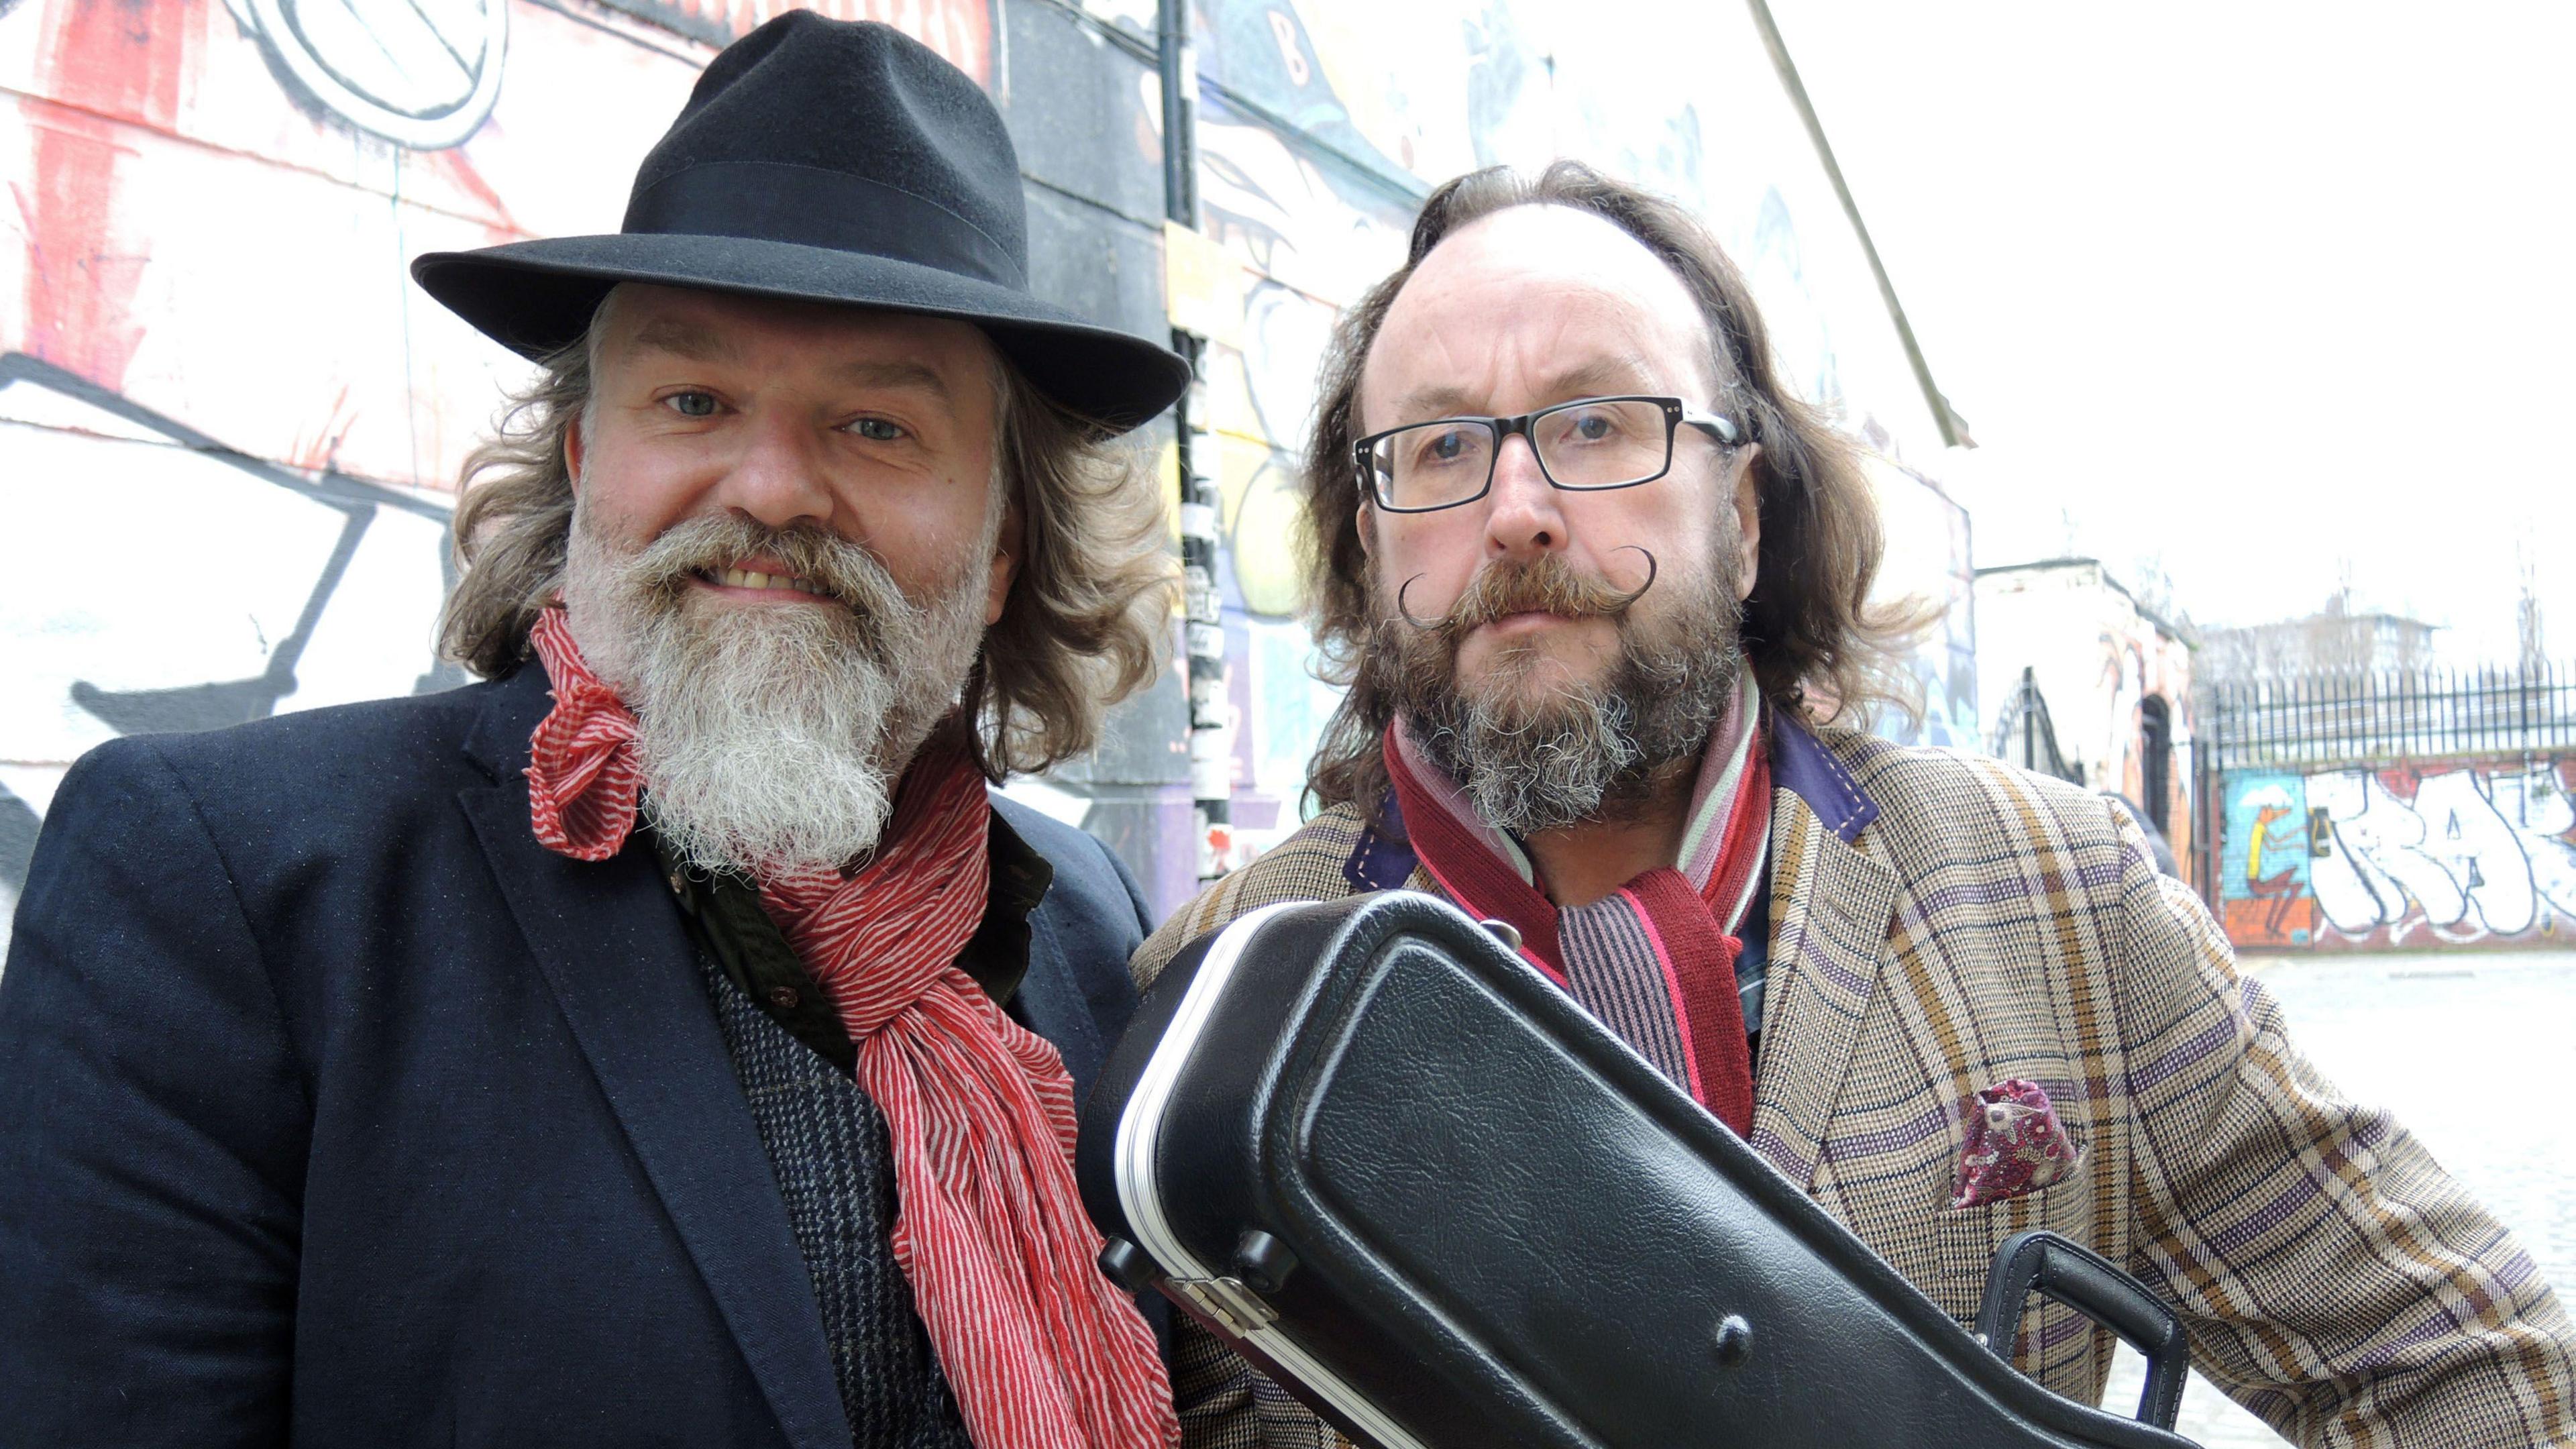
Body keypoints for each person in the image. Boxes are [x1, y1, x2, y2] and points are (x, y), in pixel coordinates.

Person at [1136, 162, 2575, 1447]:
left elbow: (2471, 1372)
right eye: (1440, 448)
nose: (1516, 505)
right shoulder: (1217, 990)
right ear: (1370, 533)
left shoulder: (2059, 894)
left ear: (1747, 521)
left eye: (1597, 422)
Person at [0, 17, 1195, 1448]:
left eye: (877, 427)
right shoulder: (232, 887)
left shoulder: (1082, 933)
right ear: (584, 470)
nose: (770, 488)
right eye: (692, 400)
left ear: (1003, 544)